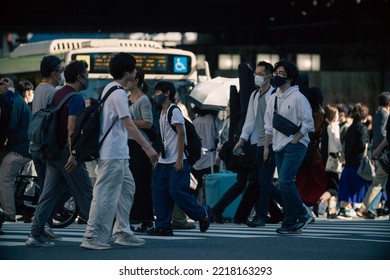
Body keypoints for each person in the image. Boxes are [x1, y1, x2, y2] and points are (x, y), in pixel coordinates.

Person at [80, 52, 158, 250]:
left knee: (127, 189)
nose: (135, 72)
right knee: (104, 194)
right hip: (112, 153)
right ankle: (91, 236)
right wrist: (147, 147)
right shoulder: (118, 93)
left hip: (119, 154)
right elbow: (129, 124)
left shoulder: (109, 88)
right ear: (126, 72)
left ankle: (123, 231)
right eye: (133, 69)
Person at [25, 60, 94, 247]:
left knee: (48, 194)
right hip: (66, 151)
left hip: (52, 151)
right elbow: (71, 127)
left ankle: (35, 234)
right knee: (85, 190)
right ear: (79, 77)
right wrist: (74, 153)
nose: (87, 78)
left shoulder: (56, 95)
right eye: (86, 75)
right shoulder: (76, 98)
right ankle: (96, 233)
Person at [147, 80, 211, 236]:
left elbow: (181, 134)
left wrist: (180, 157)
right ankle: (163, 225)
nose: (155, 95)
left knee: (176, 191)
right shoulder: (162, 112)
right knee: (159, 192)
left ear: (167, 93)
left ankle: (202, 213)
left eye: (157, 92)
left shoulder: (174, 111)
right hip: (164, 160)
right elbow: (166, 137)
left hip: (177, 160)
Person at [263, 59, 314, 234]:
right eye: (276, 73)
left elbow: (309, 124)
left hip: (295, 144)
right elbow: (268, 125)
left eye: (281, 74)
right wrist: (266, 147)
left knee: (285, 181)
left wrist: (296, 139)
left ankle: (303, 215)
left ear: (290, 78)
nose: (277, 76)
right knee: (285, 184)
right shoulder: (273, 97)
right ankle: (289, 222)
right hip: (278, 145)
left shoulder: (299, 97)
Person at [232, 60, 283, 227]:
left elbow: (275, 123)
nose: (256, 77)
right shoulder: (255, 95)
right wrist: (242, 139)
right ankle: (293, 210)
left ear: (269, 76)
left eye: (259, 74)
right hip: (258, 144)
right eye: (255, 74)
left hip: (272, 144)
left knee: (264, 180)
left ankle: (261, 215)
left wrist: (269, 145)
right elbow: (250, 119)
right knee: (262, 180)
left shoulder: (275, 95)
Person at [0, 75, 32, 232]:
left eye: (5, 81)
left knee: (5, 177)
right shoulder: (17, 99)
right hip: (22, 147)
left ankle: (9, 213)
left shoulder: (16, 100)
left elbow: (11, 124)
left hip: (21, 148)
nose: (2, 84)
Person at [126, 66, 155, 233]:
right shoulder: (126, 97)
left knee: (142, 183)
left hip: (141, 145)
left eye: (129, 79)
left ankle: (146, 219)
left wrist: (128, 121)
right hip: (128, 144)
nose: (126, 83)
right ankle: (132, 218)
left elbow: (148, 123)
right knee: (130, 184)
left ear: (136, 80)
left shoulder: (143, 100)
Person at [356, 92, 390, 219]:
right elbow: (383, 134)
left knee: (380, 182)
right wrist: (381, 148)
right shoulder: (384, 115)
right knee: (378, 182)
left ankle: (372, 209)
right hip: (383, 153)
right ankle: (366, 208)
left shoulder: (377, 114)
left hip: (378, 152)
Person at [296, 87, 328, 216]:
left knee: (303, 179)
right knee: (317, 180)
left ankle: (305, 205)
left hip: (303, 147)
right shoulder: (319, 113)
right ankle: (308, 204)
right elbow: (315, 131)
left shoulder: (304, 110)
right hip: (314, 151)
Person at [337, 102, 371, 219]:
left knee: (347, 186)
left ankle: (342, 208)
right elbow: (363, 145)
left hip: (349, 161)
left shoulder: (350, 127)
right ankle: (368, 209)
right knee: (366, 185)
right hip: (359, 162)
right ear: (364, 115)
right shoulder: (362, 128)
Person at [191, 106, 223, 205]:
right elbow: (221, 137)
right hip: (211, 159)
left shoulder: (194, 122)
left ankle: (195, 207)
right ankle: (210, 207)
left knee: (196, 186)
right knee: (211, 187)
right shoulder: (214, 120)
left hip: (197, 160)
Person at [319, 104, 343, 219]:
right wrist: (341, 154)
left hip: (324, 160)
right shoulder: (334, 126)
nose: (338, 116)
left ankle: (331, 210)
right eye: (337, 114)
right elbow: (335, 145)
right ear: (333, 114)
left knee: (329, 185)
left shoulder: (324, 126)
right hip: (332, 160)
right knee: (333, 188)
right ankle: (319, 199)